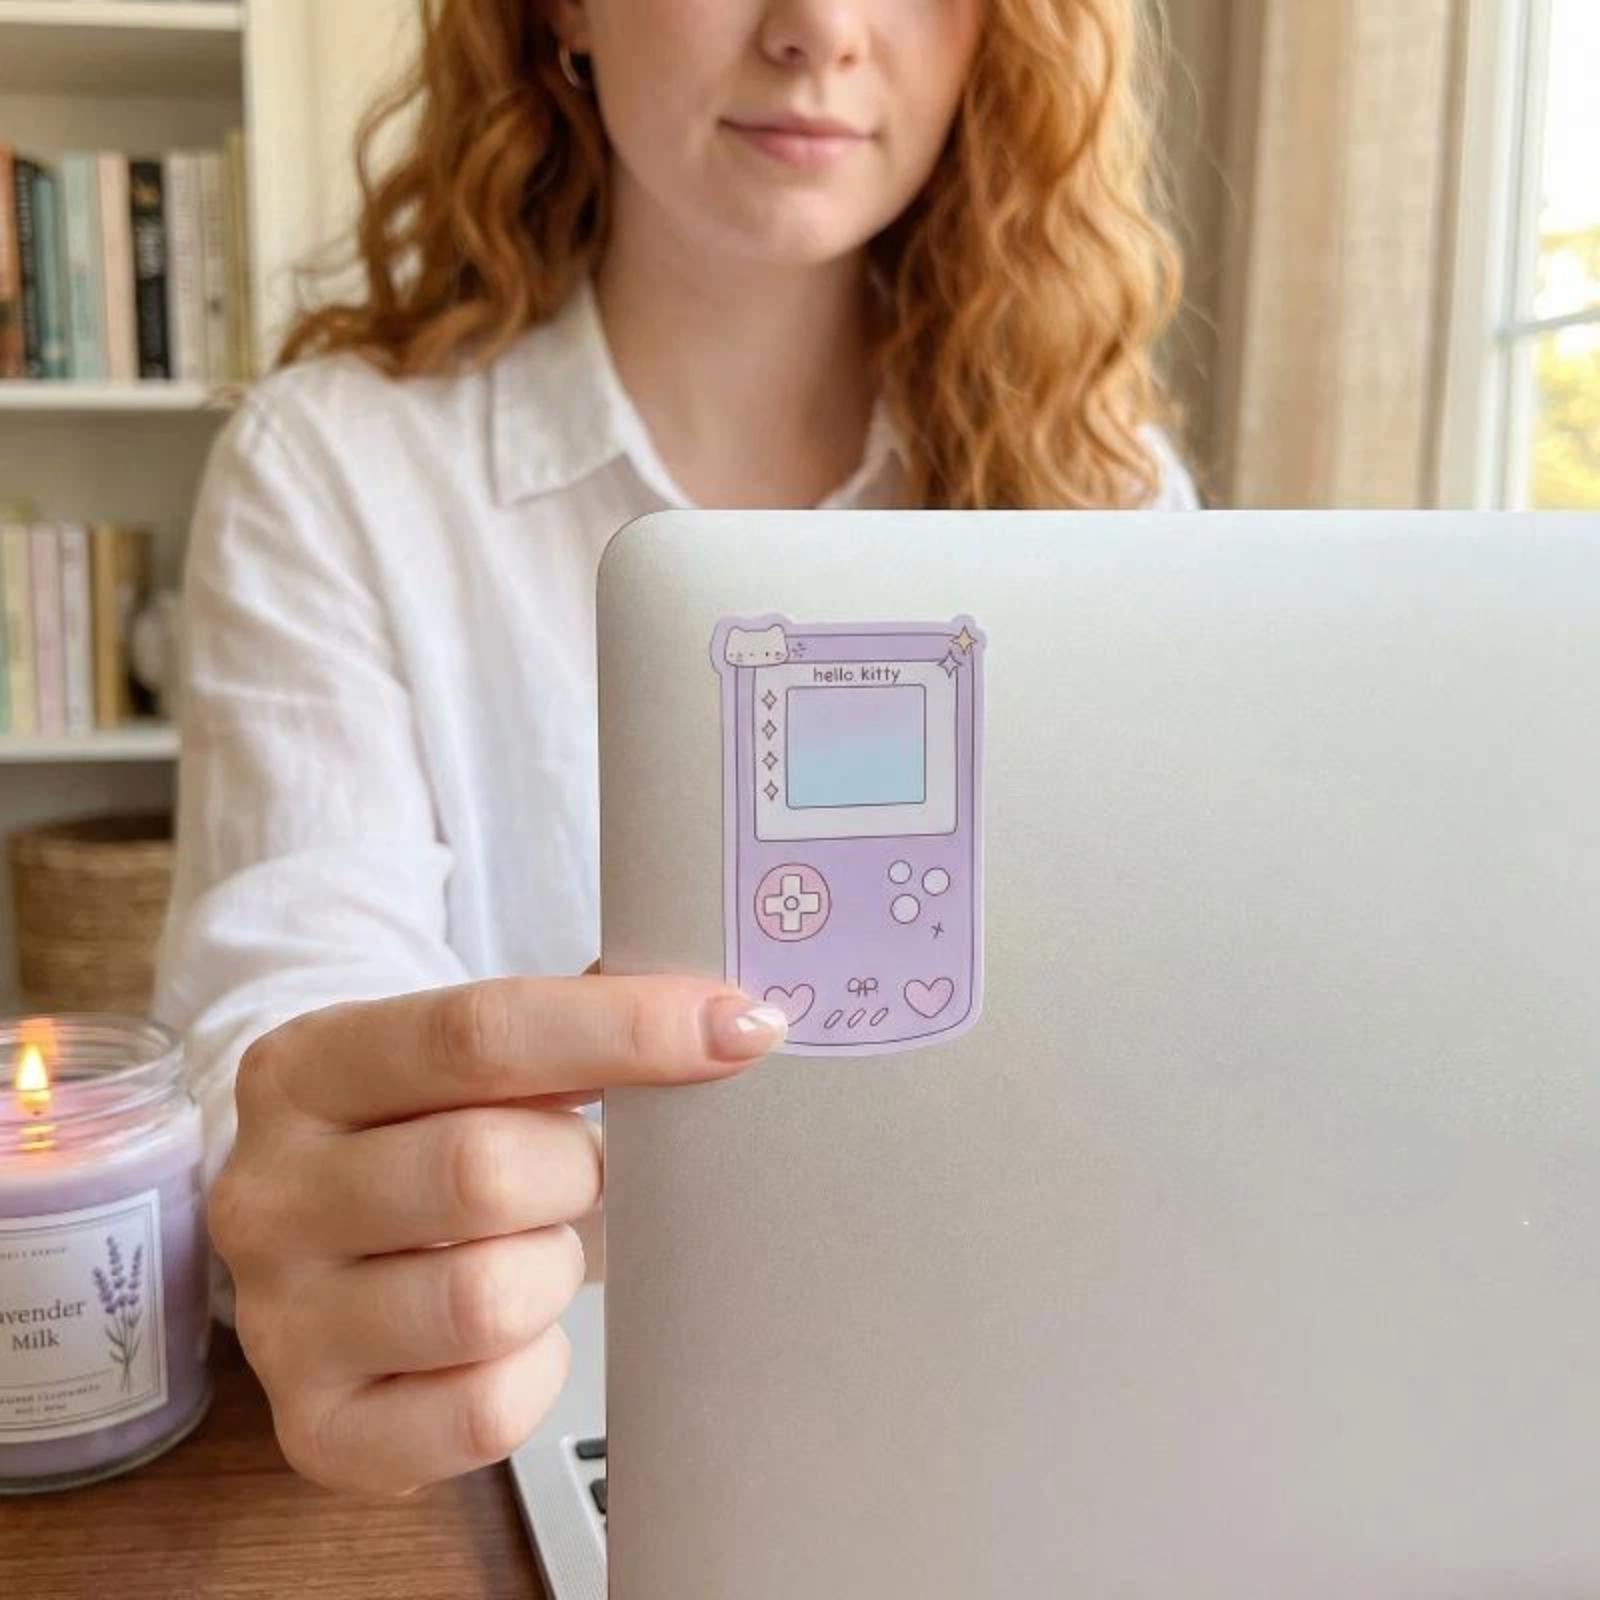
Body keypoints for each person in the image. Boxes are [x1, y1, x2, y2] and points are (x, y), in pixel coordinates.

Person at [154, 0, 1199, 1498]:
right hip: (536, 1430)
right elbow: (284, 1014)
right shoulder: (335, 469)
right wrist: (337, 1207)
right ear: (566, 12)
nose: (820, 28)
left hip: (1021, 1397)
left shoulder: (1109, 495)